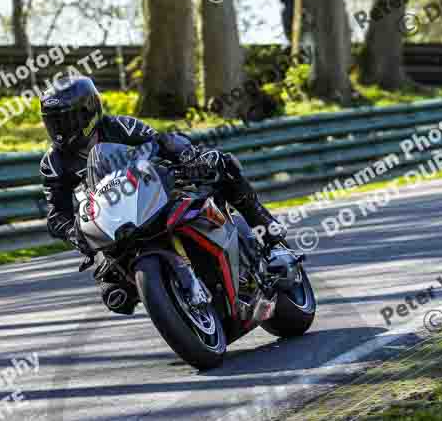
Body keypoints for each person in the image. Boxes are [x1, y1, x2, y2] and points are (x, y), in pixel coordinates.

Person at [39, 76, 287, 314]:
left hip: (149, 195)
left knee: (221, 164)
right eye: (53, 122)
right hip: (111, 226)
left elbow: (161, 142)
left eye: (66, 119)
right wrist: (73, 233)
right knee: (115, 295)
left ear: (88, 112)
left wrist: (187, 156)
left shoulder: (119, 127)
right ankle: (173, 300)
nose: (59, 129)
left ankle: (265, 225)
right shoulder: (53, 163)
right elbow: (56, 215)